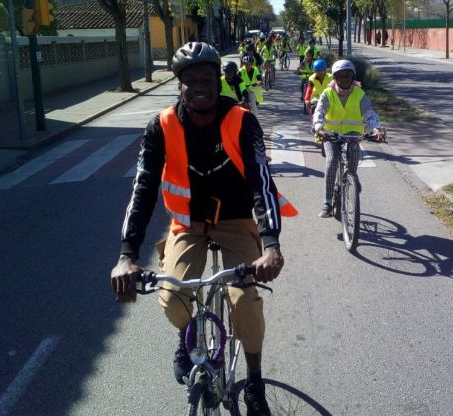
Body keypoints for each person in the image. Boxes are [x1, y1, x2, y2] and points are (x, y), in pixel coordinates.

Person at [110, 42, 297, 415]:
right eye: (190, 80)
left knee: (244, 303)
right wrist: (126, 255)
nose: (200, 86)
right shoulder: (160, 127)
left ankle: (255, 380)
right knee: (172, 298)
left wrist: (271, 244)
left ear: (218, 81)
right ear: (178, 84)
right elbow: (143, 188)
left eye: (207, 79)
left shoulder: (241, 120)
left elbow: (261, 182)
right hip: (188, 224)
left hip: (236, 220)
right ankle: (187, 337)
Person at [312, 59, 385, 218]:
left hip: (353, 134)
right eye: (340, 76)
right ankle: (328, 202)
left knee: (353, 156)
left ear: (352, 77)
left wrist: (376, 129)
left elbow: (369, 113)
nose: (344, 79)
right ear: (335, 78)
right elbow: (319, 112)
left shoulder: (359, 94)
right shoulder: (328, 93)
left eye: (348, 75)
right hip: (330, 134)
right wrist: (319, 127)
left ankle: (352, 177)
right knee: (332, 161)